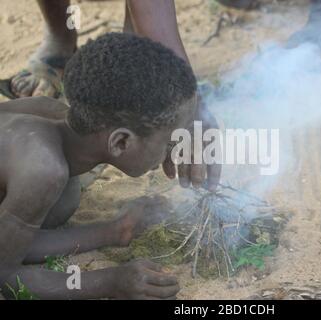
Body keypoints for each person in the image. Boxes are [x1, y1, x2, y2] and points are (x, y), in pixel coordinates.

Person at [0, 32, 197, 299]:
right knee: (59, 196)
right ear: (121, 142)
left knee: (61, 200)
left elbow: (14, 242)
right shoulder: (43, 169)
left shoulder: (47, 113)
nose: (173, 150)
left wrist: (115, 230)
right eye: (169, 140)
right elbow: (5, 275)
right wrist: (110, 281)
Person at [1, 0, 221, 191]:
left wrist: (189, 103)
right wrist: (116, 231)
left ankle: (134, 38)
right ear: (120, 141)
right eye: (165, 143)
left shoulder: (42, 113)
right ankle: (61, 36)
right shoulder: (45, 172)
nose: (168, 148)